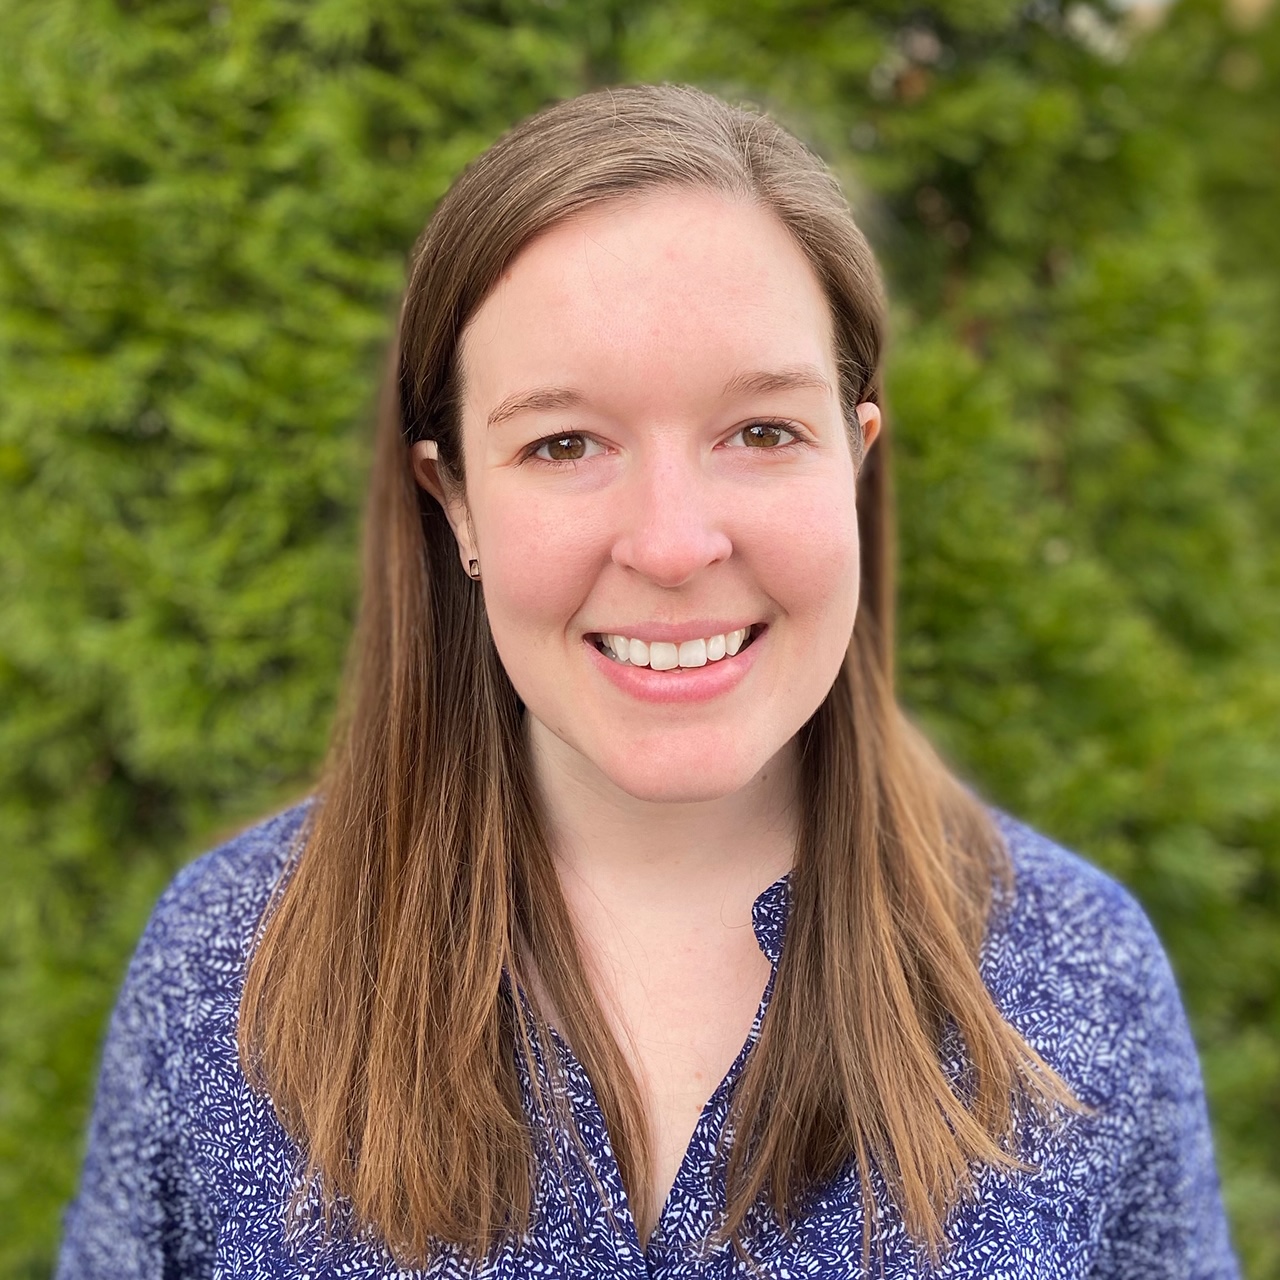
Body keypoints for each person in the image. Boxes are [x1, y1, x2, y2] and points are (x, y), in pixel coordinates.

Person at [58, 84, 1239, 1278]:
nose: (672, 544)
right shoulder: (223, 974)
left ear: (854, 462)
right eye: (562, 443)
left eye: (762, 431)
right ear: (452, 496)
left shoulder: (1076, 975)